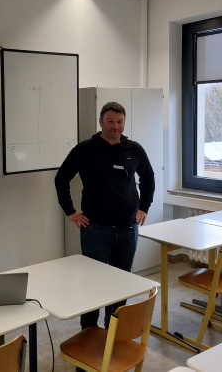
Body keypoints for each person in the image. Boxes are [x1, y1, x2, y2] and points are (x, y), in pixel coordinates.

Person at [54, 101, 154, 330]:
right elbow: (61, 178)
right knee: (92, 284)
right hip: (96, 230)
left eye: (119, 122)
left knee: (121, 284)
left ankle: (113, 331)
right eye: (110, 121)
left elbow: (148, 178)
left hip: (128, 229)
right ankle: (89, 331)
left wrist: (144, 207)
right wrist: (70, 211)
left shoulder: (134, 149)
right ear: (101, 122)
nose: (115, 126)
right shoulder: (85, 149)